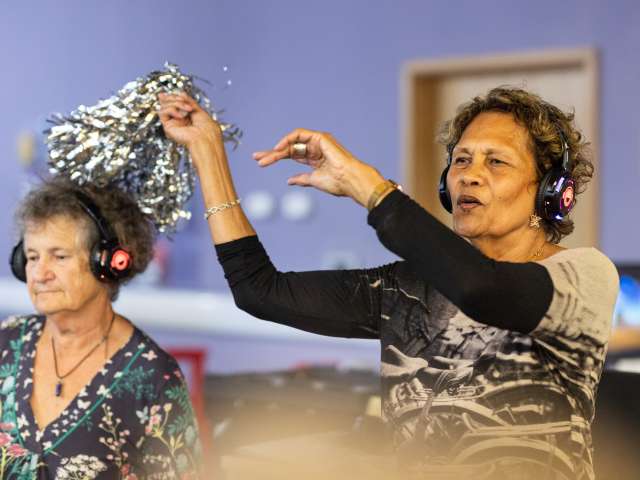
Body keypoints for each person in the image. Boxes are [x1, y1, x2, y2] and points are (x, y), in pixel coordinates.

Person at [158, 87, 619, 480]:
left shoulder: (583, 274)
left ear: (551, 192)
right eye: (461, 160)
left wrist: (369, 188)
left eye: (496, 162)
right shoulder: (410, 288)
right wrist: (207, 152)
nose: (470, 175)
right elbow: (260, 291)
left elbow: (486, 292)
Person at [1, 179, 202, 479]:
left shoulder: (154, 377)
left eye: (59, 256)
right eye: (32, 257)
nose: (40, 274)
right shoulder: (7, 340)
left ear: (108, 263)